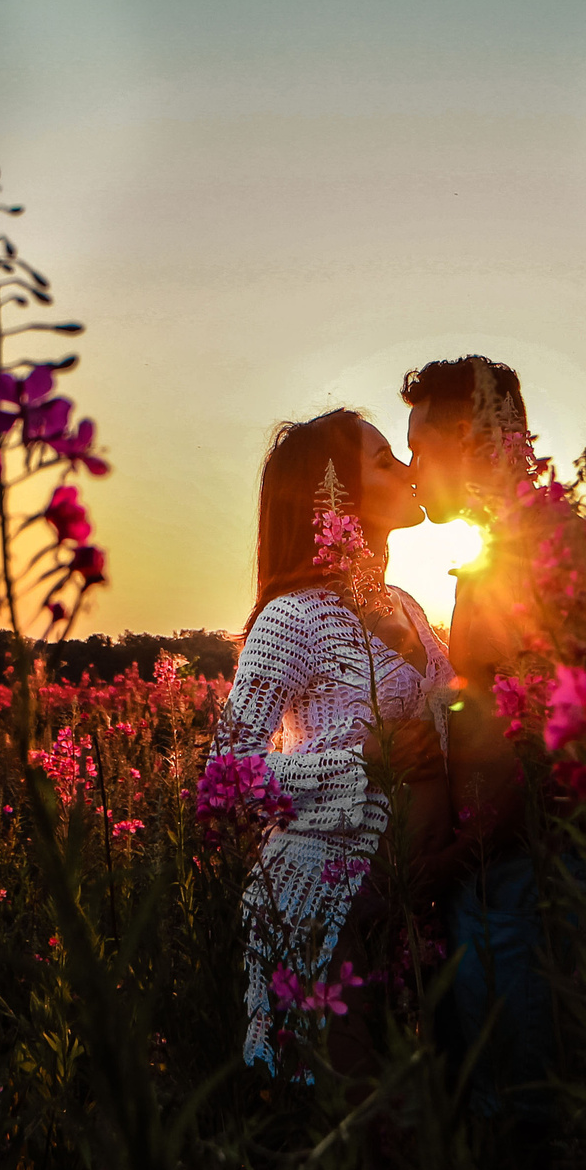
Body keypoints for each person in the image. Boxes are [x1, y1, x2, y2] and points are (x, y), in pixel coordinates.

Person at [213, 408, 451, 1073]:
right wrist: (361, 762)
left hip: (406, 901)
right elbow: (226, 776)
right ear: (338, 498)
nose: (407, 470)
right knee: (354, 1126)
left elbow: (455, 712)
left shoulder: (409, 608)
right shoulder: (292, 617)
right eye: (383, 460)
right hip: (318, 905)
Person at [401, 356, 562, 1116]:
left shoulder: (528, 549)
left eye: (419, 446)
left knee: (519, 1112)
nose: (410, 467)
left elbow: (550, 750)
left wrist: (452, 860)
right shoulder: (502, 545)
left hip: (521, 878)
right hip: (499, 872)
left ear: (465, 437)